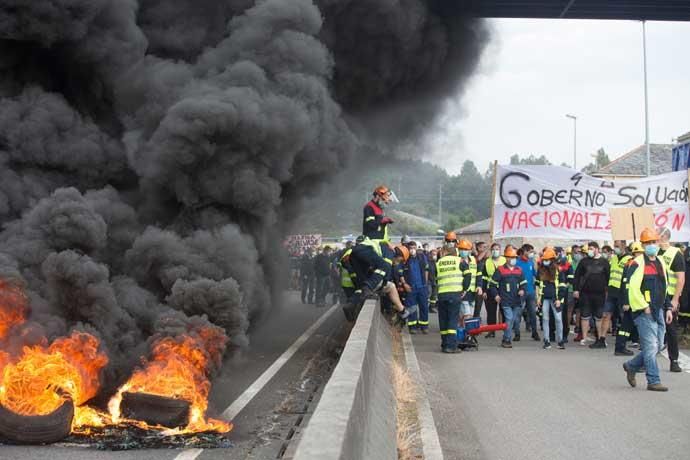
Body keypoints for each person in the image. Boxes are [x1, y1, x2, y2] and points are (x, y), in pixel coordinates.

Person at [621, 228, 673, 392]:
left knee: (657, 346)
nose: (652, 245)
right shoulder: (637, 263)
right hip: (644, 311)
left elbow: (664, 287)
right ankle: (653, 380)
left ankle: (631, 366)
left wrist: (668, 307)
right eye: (648, 243)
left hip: (658, 309)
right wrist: (644, 306)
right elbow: (633, 289)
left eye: (654, 242)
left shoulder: (660, 262)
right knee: (650, 347)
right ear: (643, 245)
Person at [348, 237, 414, 321]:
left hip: (355, 255)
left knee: (363, 284)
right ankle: (367, 287)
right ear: (399, 256)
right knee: (384, 267)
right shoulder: (390, 252)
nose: (398, 263)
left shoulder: (383, 251)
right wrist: (383, 285)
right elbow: (386, 269)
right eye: (400, 261)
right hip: (363, 250)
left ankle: (350, 305)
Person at [656, 227, 685, 373]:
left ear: (664, 237)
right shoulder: (654, 252)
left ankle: (674, 360)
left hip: (668, 297)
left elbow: (681, 279)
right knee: (651, 328)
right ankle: (647, 360)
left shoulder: (675, 254)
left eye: (657, 234)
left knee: (671, 329)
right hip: (654, 295)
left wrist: (675, 299)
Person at [573, 241, 610, 347]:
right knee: (585, 316)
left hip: (600, 294)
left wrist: (608, 292)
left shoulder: (604, 262)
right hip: (585, 293)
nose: (590, 250)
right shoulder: (584, 261)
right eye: (589, 248)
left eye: (592, 248)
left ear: (597, 249)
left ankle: (600, 338)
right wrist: (576, 290)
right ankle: (584, 337)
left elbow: (608, 278)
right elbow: (577, 276)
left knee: (599, 317)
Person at [490, 247, 526, 348]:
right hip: (505, 300)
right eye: (511, 257)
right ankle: (507, 340)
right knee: (509, 318)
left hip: (516, 300)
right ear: (507, 258)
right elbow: (492, 285)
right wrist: (496, 295)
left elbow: (524, 284)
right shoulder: (500, 270)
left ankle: (506, 338)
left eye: (514, 257)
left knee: (512, 320)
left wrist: (522, 290)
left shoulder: (519, 270)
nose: (514, 259)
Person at [602, 240, 632, 352]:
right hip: (611, 291)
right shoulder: (613, 258)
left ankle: (625, 341)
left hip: (622, 292)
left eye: (617, 246)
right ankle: (602, 339)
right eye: (614, 246)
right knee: (606, 315)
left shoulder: (629, 259)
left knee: (624, 317)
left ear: (624, 245)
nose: (615, 248)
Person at [616, 242, 643, 355]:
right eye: (640, 252)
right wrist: (626, 301)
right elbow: (626, 283)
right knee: (628, 324)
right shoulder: (633, 264)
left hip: (633, 299)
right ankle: (620, 347)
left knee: (627, 324)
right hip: (632, 299)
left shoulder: (633, 263)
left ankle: (620, 347)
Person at [435, 247, 464, 353]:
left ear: (445, 252)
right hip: (455, 294)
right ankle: (451, 346)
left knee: (443, 320)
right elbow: (468, 275)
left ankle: (444, 344)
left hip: (442, 294)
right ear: (455, 253)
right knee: (452, 320)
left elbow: (434, 277)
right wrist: (464, 290)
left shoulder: (439, 262)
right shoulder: (459, 261)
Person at [537, 248, 565, 349]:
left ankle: (560, 340)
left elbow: (562, 286)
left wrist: (559, 299)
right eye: (544, 259)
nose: (545, 261)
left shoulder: (558, 271)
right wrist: (539, 298)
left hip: (556, 299)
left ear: (552, 260)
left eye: (547, 259)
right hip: (545, 298)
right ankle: (546, 340)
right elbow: (538, 284)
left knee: (558, 319)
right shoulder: (540, 270)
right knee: (545, 319)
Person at [401, 241, 430, 334]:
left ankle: (424, 326)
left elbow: (426, 270)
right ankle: (412, 326)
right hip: (411, 287)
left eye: (414, 248)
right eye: (411, 248)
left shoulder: (421, 257)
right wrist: (405, 284)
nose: (412, 250)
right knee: (412, 307)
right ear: (408, 249)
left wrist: (425, 283)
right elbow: (401, 273)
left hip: (422, 286)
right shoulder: (405, 259)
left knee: (424, 307)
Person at [516, 244, 539, 342]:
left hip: (531, 292)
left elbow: (535, 274)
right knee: (518, 313)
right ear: (524, 251)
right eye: (530, 252)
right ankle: (517, 334)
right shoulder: (516, 263)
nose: (532, 254)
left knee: (533, 313)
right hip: (520, 292)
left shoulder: (531, 262)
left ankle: (535, 333)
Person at [481, 242, 505, 337]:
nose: (495, 251)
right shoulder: (487, 262)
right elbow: (484, 278)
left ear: (500, 250)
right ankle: (491, 331)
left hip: (503, 289)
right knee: (491, 311)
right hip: (490, 289)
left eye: (497, 249)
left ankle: (505, 331)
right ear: (491, 251)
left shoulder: (504, 260)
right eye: (494, 249)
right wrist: (484, 291)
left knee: (504, 310)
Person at [457, 239, 481, 329]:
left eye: (466, 249)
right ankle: (467, 335)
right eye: (461, 249)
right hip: (462, 292)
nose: (463, 251)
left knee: (465, 316)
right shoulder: (457, 261)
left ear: (470, 250)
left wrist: (479, 286)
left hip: (472, 292)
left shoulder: (474, 260)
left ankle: (461, 334)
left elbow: (479, 274)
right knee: (468, 316)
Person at [556, 247, 574, 342]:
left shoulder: (567, 265)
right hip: (553, 292)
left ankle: (564, 335)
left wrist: (564, 288)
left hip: (564, 292)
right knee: (552, 314)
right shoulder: (553, 263)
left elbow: (570, 279)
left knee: (563, 314)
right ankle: (552, 334)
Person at [473, 241, 488, 318]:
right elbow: (478, 259)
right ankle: (475, 320)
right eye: (484, 247)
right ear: (478, 248)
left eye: (486, 247)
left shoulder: (487, 259)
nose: (486, 249)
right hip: (476, 285)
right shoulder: (473, 258)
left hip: (486, 286)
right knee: (477, 306)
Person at [428, 248, 439, 313]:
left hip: (435, 281)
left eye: (435, 254)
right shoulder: (428, 262)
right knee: (428, 294)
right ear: (430, 255)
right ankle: (426, 307)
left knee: (434, 295)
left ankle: (432, 307)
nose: (434, 256)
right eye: (433, 254)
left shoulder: (437, 263)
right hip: (429, 281)